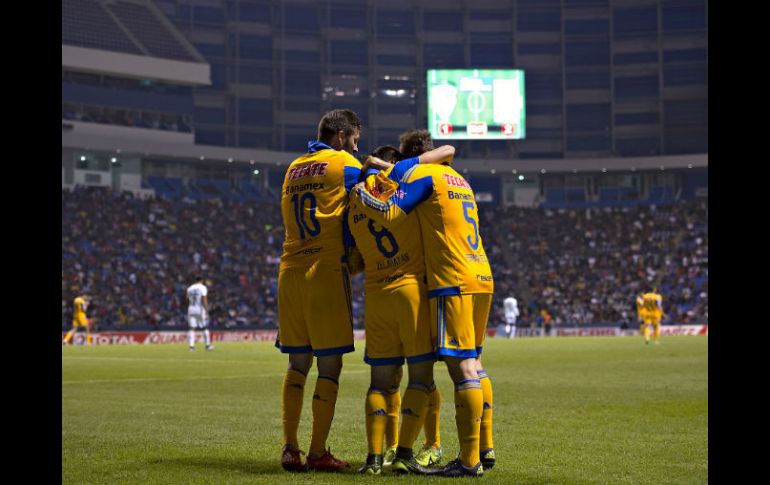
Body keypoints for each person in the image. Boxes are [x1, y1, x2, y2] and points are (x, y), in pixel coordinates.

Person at [351, 140, 495, 477]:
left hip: (448, 280)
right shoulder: (458, 180)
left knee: (458, 371)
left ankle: (468, 460)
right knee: (473, 363)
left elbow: (387, 213)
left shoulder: (416, 178)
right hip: (481, 274)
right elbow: (449, 148)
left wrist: (360, 192)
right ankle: (483, 447)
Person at [347, 144, 453, 475]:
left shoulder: (353, 202)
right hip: (410, 291)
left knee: (380, 383)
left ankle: (374, 459)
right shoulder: (401, 189)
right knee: (421, 378)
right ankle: (407, 452)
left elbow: (353, 263)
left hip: (376, 296)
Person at [276, 109, 372, 472]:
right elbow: (380, 179)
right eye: (355, 140)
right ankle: (317, 452)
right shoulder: (343, 163)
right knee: (330, 364)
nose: (357, 147)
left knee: (297, 362)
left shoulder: (293, 167)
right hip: (325, 269)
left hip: (289, 271)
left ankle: (289, 447)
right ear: (340, 136)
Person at [397, 130, 445, 469]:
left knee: (422, 372)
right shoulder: (446, 177)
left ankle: (432, 444)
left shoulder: (413, 179)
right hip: (425, 284)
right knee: (420, 372)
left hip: (422, 286)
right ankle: (418, 444)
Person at [187, 275, 212, 351]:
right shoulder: (203, 287)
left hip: (191, 308)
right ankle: (207, 346)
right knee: (205, 327)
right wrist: (207, 311)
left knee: (192, 328)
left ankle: (191, 347)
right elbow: (204, 299)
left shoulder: (189, 288)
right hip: (200, 309)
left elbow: (187, 299)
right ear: (201, 281)